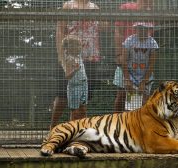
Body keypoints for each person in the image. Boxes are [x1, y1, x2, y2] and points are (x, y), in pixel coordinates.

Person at [50, 0, 103, 129]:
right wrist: (61, 56)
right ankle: (52, 128)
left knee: (83, 99)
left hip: (90, 57)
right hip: (70, 56)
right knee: (62, 95)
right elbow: (60, 31)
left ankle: (75, 130)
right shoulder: (69, 5)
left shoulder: (94, 7)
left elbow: (99, 29)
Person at [113, 0, 154, 112]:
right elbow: (118, 31)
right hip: (126, 57)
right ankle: (116, 125)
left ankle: (138, 126)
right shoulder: (126, 7)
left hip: (143, 63)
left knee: (142, 99)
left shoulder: (151, 13)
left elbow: (150, 39)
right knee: (121, 96)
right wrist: (119, 54)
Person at [61, 35, 88, 120]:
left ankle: (84, 129)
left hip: (84, 84)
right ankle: (72, 130)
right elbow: (67, 76)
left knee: (83, 109)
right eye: (76, 45)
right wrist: (75, 70)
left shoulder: (78, 56)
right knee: (75, 111)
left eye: (79, 45)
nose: (79, 48)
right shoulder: (69, 59)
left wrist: (83, 42)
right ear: (69, 48)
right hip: (74, 87)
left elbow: (82, 45)